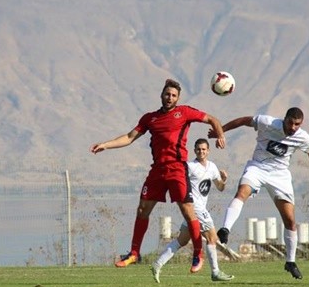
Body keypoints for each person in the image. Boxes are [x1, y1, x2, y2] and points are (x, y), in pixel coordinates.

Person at [90, 79, 226, 272]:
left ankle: (198, 253)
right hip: (157, 171)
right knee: (142, 209)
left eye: (173, 95)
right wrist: (105, 145)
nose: (170, 98)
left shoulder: (184, 112)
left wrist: (220, 135)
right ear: (161, 95)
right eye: (167, 94)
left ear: (178, 98)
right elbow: (129, 137)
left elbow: (213, 119)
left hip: (177, 169)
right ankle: (134, 253)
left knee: (188, 210)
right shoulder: (150, 118)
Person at [210, 107, 309, 279]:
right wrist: (220, 131)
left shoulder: (302, 137)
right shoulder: (267, 123)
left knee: (290, 220)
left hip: (280, 175)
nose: (293, 127)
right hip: (258, 167)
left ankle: (290, 262)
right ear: (285, 119)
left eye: (297, 124)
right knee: (242, 192)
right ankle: (225, 229)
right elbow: (244, 120)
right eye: (290, 123)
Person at [151, 138, 235, 283]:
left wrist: (224, 180)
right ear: (194, 150)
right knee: (212, 238)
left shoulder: (212, 167)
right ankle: (215, 272)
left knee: (182, 240)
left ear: (208, 151)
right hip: (195, 207)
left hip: (196, 209)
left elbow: (220, 187)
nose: (201, 151)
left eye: (204, 149)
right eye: (198, 149)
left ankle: (157, 264)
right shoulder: (190, 166)